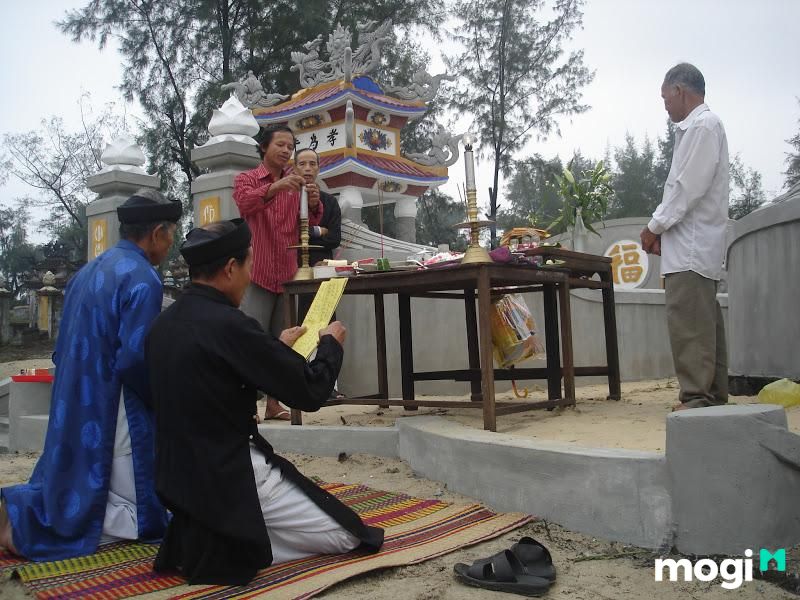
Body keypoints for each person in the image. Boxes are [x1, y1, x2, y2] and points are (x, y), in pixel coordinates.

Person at [145, 219, 383, 585]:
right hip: (230, 471)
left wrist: (272, 352)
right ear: (229, 269)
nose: (249, 276)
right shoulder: (231, 326)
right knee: (349, 535)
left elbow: (212, 386)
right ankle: (248, 538)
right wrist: (331, 346)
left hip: (178, 477)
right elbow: (311, 391)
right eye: (249, 266)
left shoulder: (163, 326)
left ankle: (230, 533)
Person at [0, 190, 180, 560]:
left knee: (72, 471)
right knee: (135, 510)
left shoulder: (88, 271)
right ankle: (21, 526)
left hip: (74, 393)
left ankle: (22, 511)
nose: (172, 242)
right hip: (112, 398)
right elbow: (133, 358)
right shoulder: (145, 278)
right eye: (172, 233)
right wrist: (160, 399)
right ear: (158, 232)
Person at [640, 63, 729, 411]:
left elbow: (685, 189)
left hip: (693, 246)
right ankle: (714, 396)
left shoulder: (703, 126)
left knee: (689, 324)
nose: (665, 106)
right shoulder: (700, 128)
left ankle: (696, 397)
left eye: (665, 97)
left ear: (680, 90)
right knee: (705, 324)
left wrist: (654, 226)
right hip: (694, 246)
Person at [233, 124, 323, 421]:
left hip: (287, 274)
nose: (286, 151)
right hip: (256, 273)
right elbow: (245, 203)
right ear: (263, 147)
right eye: (280, 145)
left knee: (282, 343)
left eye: (289, 146)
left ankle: (273, 404)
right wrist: (274, 188)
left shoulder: (295, 183)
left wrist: (313, 202)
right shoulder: (247, 179)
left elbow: (311, 221)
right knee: (249, 342)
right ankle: (244, 406)